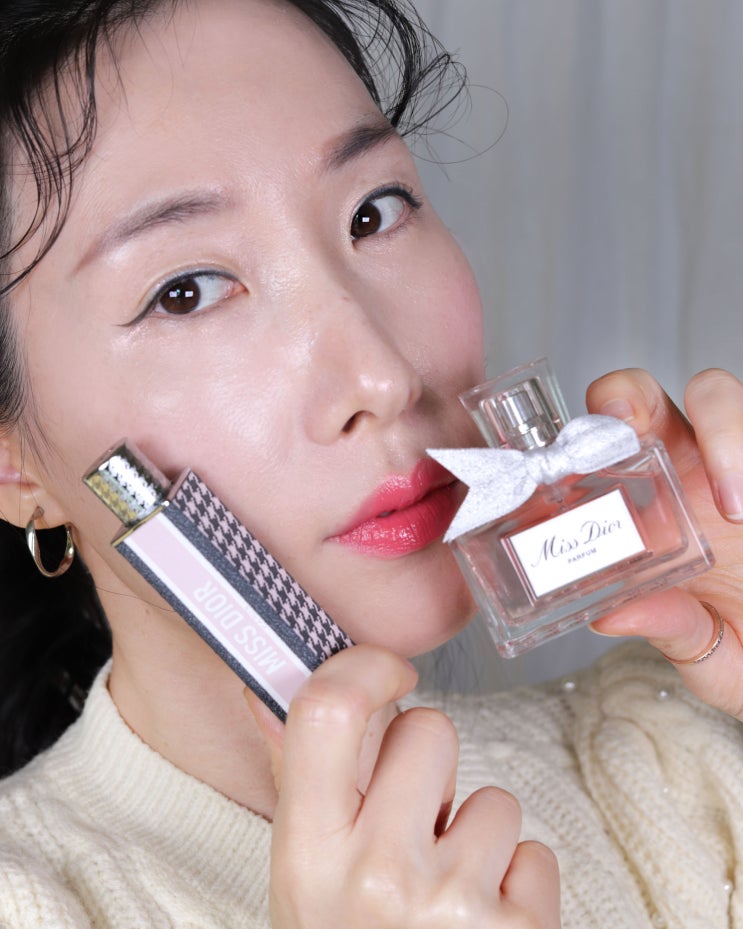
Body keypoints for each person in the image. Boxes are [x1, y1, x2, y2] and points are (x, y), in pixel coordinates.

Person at [0, 0, 742, 926]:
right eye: (185, 291)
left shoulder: (670, 765)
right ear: (14, 464)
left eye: (371, 213)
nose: (384, 378)